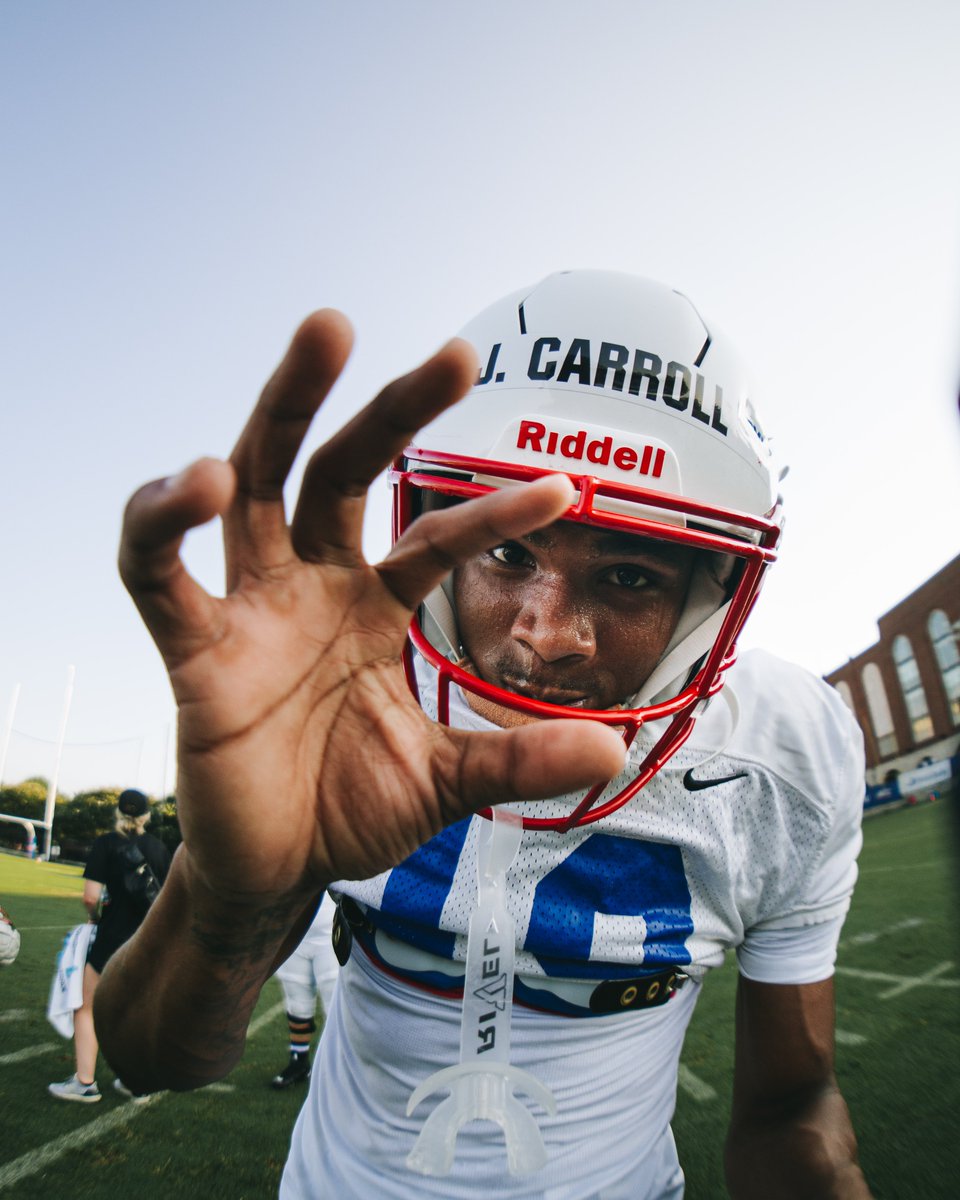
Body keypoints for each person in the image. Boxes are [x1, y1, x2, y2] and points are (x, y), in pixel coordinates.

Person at [94, 271, 872, 1197]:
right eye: (508, 553)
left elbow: (793, 1108)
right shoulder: (351, 697)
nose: (548, 633)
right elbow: (152, 1058)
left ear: (707, 600)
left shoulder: (781, 752)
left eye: (628, 575)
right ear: (441, 543)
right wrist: (226, 892)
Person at [49, 787, 170, 1102]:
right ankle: (133, 1081)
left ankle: (85, 1082)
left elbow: (91, 896)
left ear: (118, 812)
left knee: (86, 1007)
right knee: (135, 1011)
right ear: (145, 816)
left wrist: (94, 917)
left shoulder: (106, 843)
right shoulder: (158, 848)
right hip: (147, 940)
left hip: (112, 937)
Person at [270, 891, 339, 1089]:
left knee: (333, 1004)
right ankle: (298, 1061)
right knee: (297, 1003)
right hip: (292, 930)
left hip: (329, 930)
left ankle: (335, 1066)